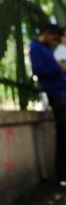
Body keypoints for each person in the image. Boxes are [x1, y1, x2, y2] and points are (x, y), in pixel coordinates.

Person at [29, 24, 66, 185]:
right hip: (56, 93)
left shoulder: (46, 49)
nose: (55, 42)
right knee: (63, 133)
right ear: (46, 34)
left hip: (61, 91)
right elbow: (39, 70)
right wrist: (59, 69)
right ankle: (61, 174)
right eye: (54, 38)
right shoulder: (36, 48)